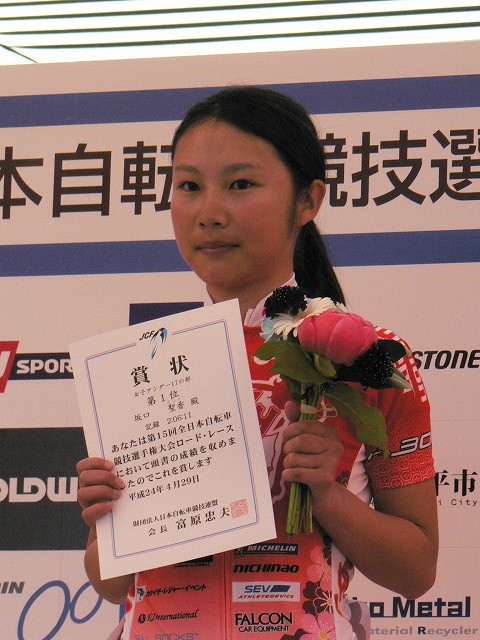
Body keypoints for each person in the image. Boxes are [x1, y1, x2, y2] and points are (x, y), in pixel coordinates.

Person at [77, 86, 438, 640]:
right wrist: (107, 516)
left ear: (308, 201)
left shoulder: (365, 357)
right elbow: (113, 584)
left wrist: (327, 496)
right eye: (189, 187)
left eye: (240, 184)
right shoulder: (141, 367)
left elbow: (416, 571)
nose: (210, 213)